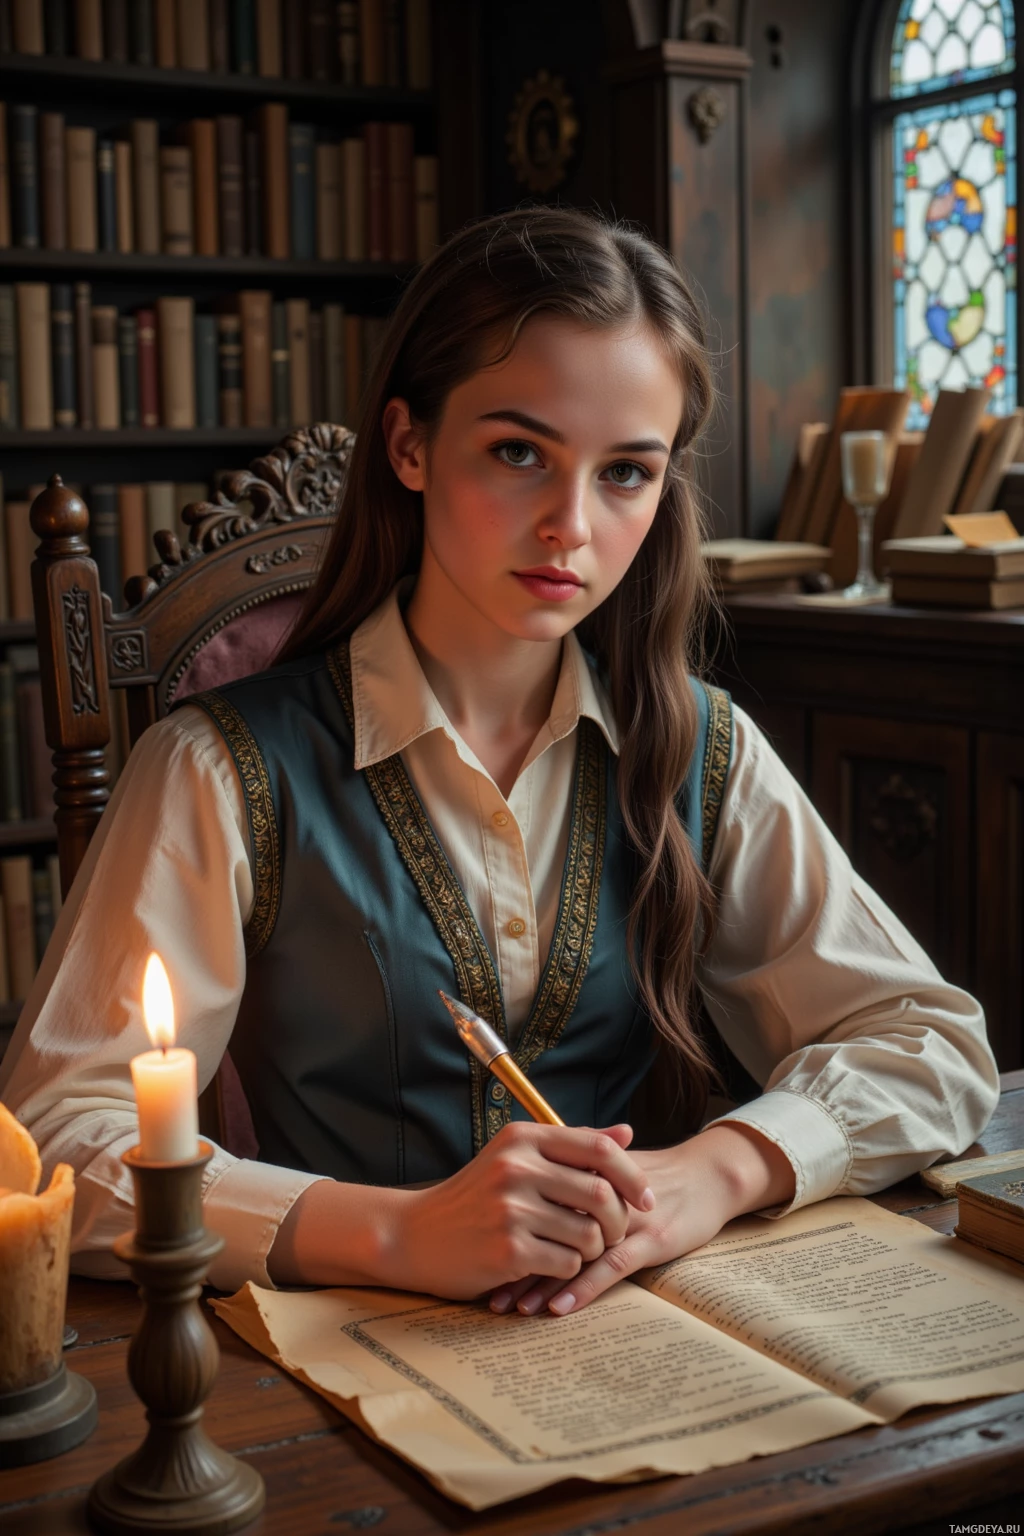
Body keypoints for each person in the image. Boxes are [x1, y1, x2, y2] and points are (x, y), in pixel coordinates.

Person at [0, 208, 999, 1322]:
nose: (569, 525)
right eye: (518, 452)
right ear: (410, 445)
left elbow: (934, 1045)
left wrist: (715, 1171)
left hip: (644, 1327)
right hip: (345, 1354)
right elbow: (50, 1144)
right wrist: (394, 1228)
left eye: (626, 472)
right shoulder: (217, 769)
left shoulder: (699, 748)